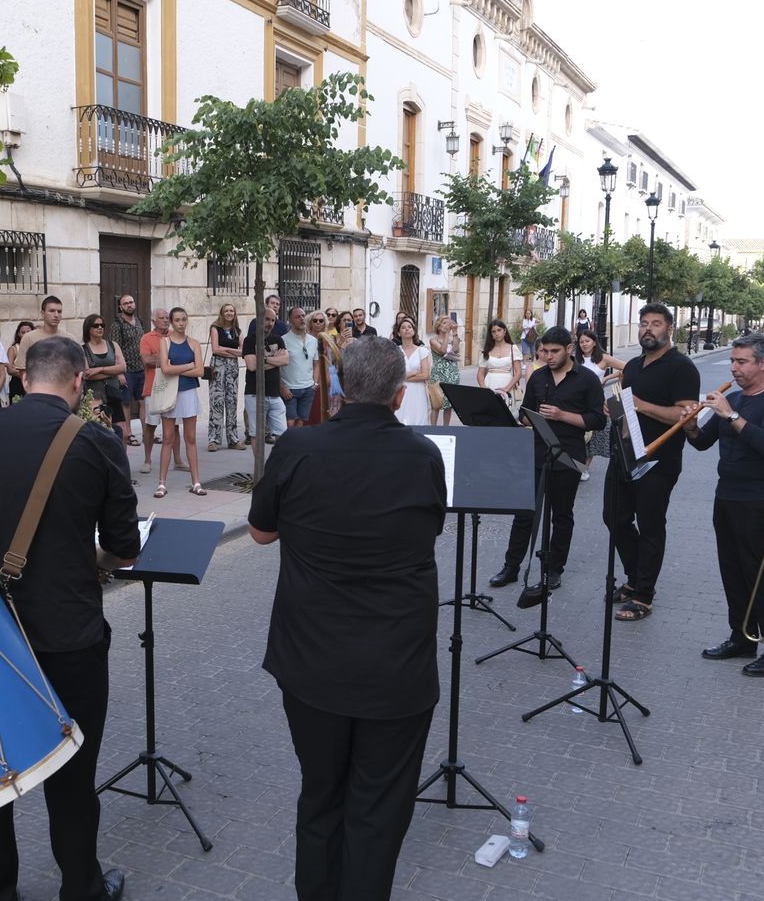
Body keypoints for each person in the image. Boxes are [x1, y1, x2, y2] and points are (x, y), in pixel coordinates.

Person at [0, 336, 138, 901]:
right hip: (69, 633)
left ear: (22, 379)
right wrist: (87, 559)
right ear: (78, 382)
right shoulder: (97, 442)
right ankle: (82, 888)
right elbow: (124, 548)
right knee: (72, 773)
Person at [249, 335, 445, 901]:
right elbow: (427, 530)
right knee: (378, 811)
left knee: (320, 795)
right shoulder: (424, 455)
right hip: (397, 667)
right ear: (399, 391)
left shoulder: (299, 448)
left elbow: (260, 533)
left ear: (339, 384)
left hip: (312, 662)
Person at [682, 334, 764, 677]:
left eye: (742, 362)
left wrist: (730, 414)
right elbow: (704, 443)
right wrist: (690, 426)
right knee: (731, 570)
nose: (734, 368)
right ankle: (743, 636)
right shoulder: (733, 398)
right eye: (733, 361)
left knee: (760, 575)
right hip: (727, 494)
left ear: (763, 363)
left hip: (761, 499)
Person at [489, 327, 605, 603]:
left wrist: (562, 415)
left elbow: (598, 420)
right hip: (537, 452)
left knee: (561, 515)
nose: (548, 356)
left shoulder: (586, 379)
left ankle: (554, 568)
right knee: (524, 513)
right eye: (544, 351)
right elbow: (524, 413)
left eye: (554, 352)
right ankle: (512, 566)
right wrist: (528, 419)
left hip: (569, 455)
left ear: (569, 349)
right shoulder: (538, 376)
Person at [607, 304, 700, 622]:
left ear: (670, 328)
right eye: (644, 323)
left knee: (650, 526)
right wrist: (617, 410)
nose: (648, 329)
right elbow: (628, 408)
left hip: (659, 460)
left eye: (656, 324)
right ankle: (635, 579)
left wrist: (641, 405)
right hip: (625, 454)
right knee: (614, 518)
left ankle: (643, 595)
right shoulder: (632, 366)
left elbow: (684, 415)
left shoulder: (682, 368)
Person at [154, 307, 206, 498]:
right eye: (177, 320)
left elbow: (200, 371)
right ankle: (161, 483)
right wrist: (188, 366)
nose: (181, 323)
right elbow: (165, 369)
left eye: (184, 319)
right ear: (172, 322)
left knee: (190, 438)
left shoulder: (194, 343)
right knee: (168, 438)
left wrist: (177, 368)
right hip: (170, 393)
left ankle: (196, 482)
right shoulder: (164, 342)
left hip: (189, 392)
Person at [574, 329, 625, 483]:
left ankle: (584, 468)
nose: (584, 344)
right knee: (579, 436)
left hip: (596, 402)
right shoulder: (576, 359)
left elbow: (627, 367)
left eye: (587, 341)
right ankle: (576, 465)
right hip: (577, 402)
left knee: (594, 437)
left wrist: (607, 377)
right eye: (581, 342)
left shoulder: (603, 359)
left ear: (594, 342)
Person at [138, 307, 182, 474]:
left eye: (167, 317)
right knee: (150, 425)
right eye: (162, 318)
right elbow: (147, 360)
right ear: (154, 321)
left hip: (173, 386)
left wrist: (162, 358)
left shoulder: (175, 335)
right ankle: (147, 460)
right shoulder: (146, 338)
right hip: (153, 387)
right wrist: (168, 358)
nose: (165, 320)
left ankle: (177, 460)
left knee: (175, 426)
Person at [243, 304, 290, 447]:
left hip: (275, 395)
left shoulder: (278, 340)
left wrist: (263, 359)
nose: (269, 323)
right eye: (267, 319)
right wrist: (276, 360)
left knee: (283, 434)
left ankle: (277, 465)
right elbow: (251, 366)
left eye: (273, 320)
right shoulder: (250, 340)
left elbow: (286, 360)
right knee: (256, 434)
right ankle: (259, 468)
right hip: (254, 394)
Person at [206, 303, 243, 452]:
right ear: (222, 313)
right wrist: (232, 352)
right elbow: (215, 349)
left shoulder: (237, 331)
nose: (229, 313)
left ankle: (233, 439)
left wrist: (225, 349)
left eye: (231, 311)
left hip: (232, 369)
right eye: (226, 311)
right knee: (217, 401)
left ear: (234, 314)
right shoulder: (215, 328)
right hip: (218, 367)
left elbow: (243, 351)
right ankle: (213, 439)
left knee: (232, 402)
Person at [80, 313, 126, 432]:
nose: (100, 328)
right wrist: (113, 371)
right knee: (100, 430)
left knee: (122, 432)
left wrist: (99, 369)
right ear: (88, 328)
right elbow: (88, 375)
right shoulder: (83, 349)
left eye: (102, 325)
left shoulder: (113, 345)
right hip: (95, 397)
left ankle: (120, 451)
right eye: (96, 325)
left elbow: (122, 368)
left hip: (113, 393)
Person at [113, 294, 146, 446]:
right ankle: (129, 434)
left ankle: (147, 433)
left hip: (141, 369)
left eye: (131, 302)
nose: (129, 305)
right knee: (126, 403)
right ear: (120, 307)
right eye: (125, 303)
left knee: (142, 402)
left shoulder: (139, 321)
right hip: (126, 370)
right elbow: (115, 349)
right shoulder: (117, 325)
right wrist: (119, 373)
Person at [280, 307, 319, 430]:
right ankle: (289, 446)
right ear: (290, 321)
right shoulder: (283, 340)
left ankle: (295, 447)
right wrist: (282, 387)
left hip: (308, 388)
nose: (302, 319)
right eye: (297, 317)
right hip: (290, 389)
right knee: (290, 422)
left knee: (302, 421)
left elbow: (316, 363)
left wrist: (315, 382)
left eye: (303, 315)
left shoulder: (313, 341)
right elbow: (277, 366)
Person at [392, 317, 431, 427]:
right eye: (403, 328)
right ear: (399, 333)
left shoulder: (422, 351)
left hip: (418, 392)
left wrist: (403, 376)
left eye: (409, 327)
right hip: (401, 391)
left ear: (413, 331)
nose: (407, 329)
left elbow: (425, 375)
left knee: (419, 420)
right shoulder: (396, 351)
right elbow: (394, 375)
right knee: (400, 420)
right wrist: (414, 372)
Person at [14, 295, 65, 376]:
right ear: (42, 313)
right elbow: (23, 371)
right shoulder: (29, 338)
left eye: (59, 311)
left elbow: (78, 368)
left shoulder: (69, 338)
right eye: (52, 311)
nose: (56, 315)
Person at [304, 310, 337, 427]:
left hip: (325, 378)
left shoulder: (328, 339)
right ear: (310, 322)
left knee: (322, 408)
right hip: (307, 377)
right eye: (315, 320)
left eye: (321, 321)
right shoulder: (305, 338)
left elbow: (332, 360)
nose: (318, 323)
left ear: (325, 323)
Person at [478, 320, 523, 402]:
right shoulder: (487, 350)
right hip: (489, 384)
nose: (497, 333)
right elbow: (480, 373)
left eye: (499, 330)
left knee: (506, 412)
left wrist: (507, 388)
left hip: (508, 385)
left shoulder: (513, 349)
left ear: (504, 331)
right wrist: (483, 388)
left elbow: (518, 372)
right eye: (493, 331)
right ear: (491, 334)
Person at [428, 315, 461, 426]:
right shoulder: (433, 340)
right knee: (436, 402)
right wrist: (447, 335)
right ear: (439, 325)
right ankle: (433, 428)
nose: (447, 325)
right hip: (438, 373)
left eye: (448, 323)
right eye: (444, 323)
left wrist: (455, 332)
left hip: (451, 373)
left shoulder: (452, 339)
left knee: (449, 404)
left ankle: (446, 428)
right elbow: (442, 351)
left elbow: (456, 350)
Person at [4, 320, 35, 402]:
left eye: (28, 332)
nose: (25, 334)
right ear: (18, 334)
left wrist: (17, 370)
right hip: (17, 384)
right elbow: (10, 369)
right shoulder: (13, 349)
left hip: (34, 384)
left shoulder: (37, 348)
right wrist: (28, 374)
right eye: (23, 332)